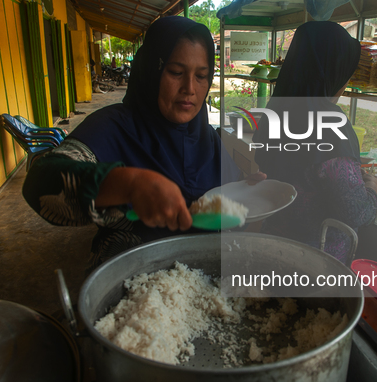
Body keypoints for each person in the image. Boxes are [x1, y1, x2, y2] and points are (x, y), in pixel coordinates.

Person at [23, 16, 258, 273]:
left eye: (201, 76)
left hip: (209, 283)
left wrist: (251, 192)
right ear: (152, 71)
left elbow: (232, 202)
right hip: (135, 288)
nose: (189, 88)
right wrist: (128, 184)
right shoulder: (114, 127)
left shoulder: (208, 138)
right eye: (176, 73)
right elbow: (40, 182)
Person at [252, 21, 377, 264]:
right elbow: (356, 211)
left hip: (271, 248)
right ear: (333, 71)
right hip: (314, 263)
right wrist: (372, 188)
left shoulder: (275, 109)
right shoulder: (331, 124)